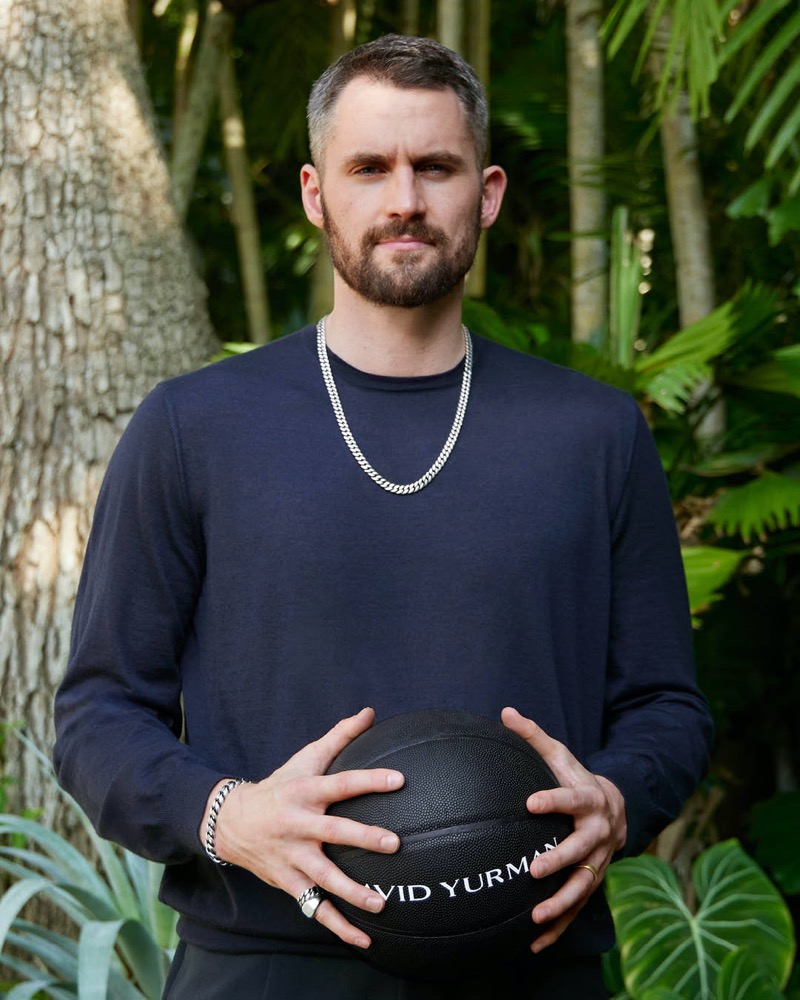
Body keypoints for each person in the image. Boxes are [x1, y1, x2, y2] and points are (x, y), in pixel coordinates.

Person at [53, 33, 713, 1000]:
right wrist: (223, 814)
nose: (404, 200)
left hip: (531, 962)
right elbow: (98, 714)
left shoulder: (596, 434)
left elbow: (667, 706)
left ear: (484, 193)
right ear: (319, 194)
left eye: (434, 167)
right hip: (265, 967)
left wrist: (616, 798)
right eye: (370, 167)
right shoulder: (194, 427)